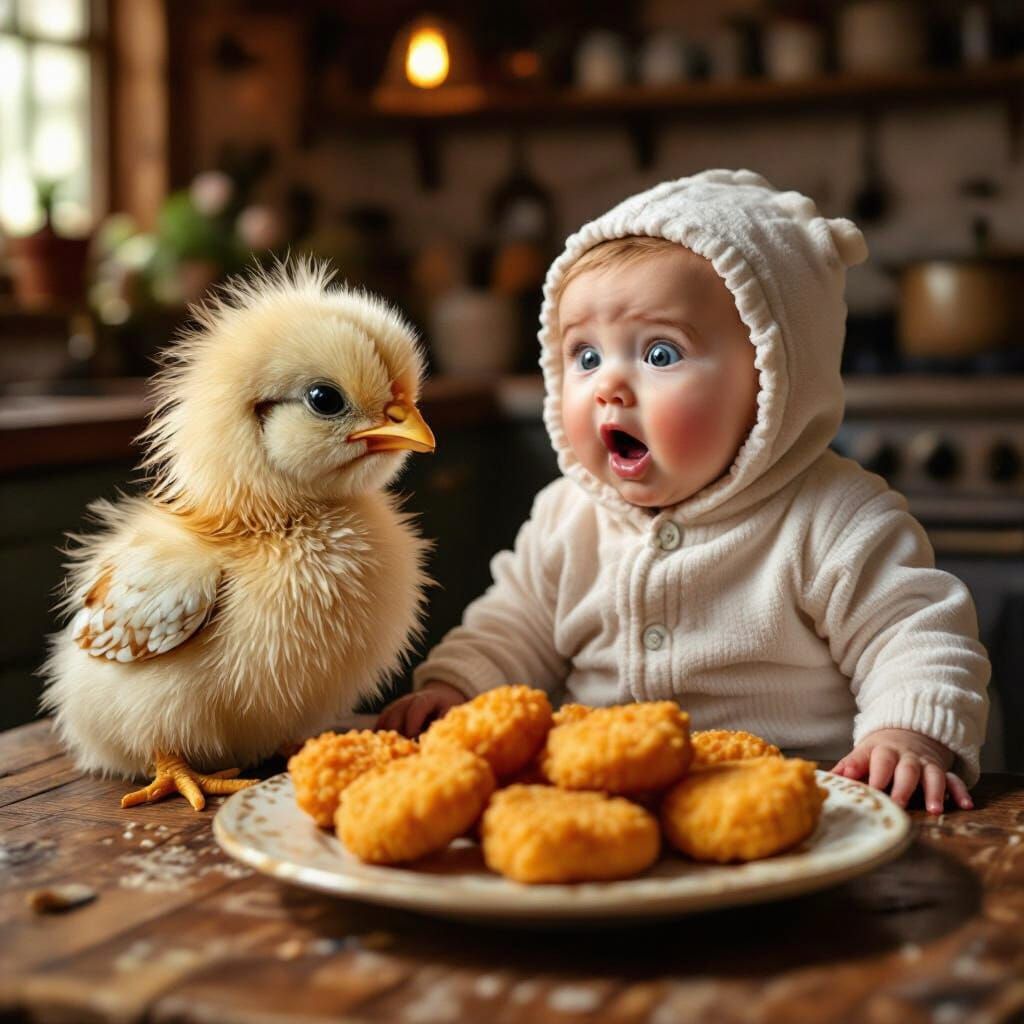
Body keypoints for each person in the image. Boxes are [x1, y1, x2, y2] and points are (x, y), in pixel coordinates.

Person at [378, 169, 990, 814]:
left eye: (660, 354)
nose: (608, 386)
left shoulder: (834, 519)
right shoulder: (567, 517)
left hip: (801, 807)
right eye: (585, 356)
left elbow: (914, 637)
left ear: (773, 379)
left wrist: (906, 733)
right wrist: (456, 688)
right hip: (605, 803)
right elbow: (512, 628)